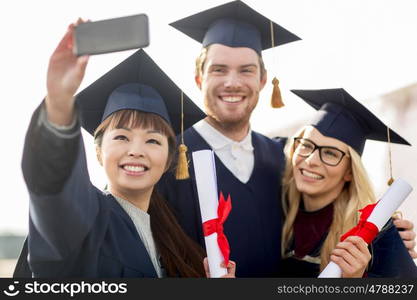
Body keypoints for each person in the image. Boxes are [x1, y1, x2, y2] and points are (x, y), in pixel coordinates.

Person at [158, 0, 416, 277]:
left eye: (246, 70)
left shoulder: (279, 156)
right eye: (218, 69)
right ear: (198, 78)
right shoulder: (164, 159)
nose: (232, 82)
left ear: (263, 80)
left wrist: (385, 237)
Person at [18, 20, 235, 278]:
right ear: (98, 151)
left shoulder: (172, 240)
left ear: (169, 159)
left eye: (153, 140)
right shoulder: (83, 223)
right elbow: (54, 186)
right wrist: (59, 102)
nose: (136, 150)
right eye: (122, 137)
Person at [280, 88, 417, 277]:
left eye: (330, 153)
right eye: (306, 145)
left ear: (350, 173)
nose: (311, 160)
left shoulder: (377, 231)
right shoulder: (277, 212)